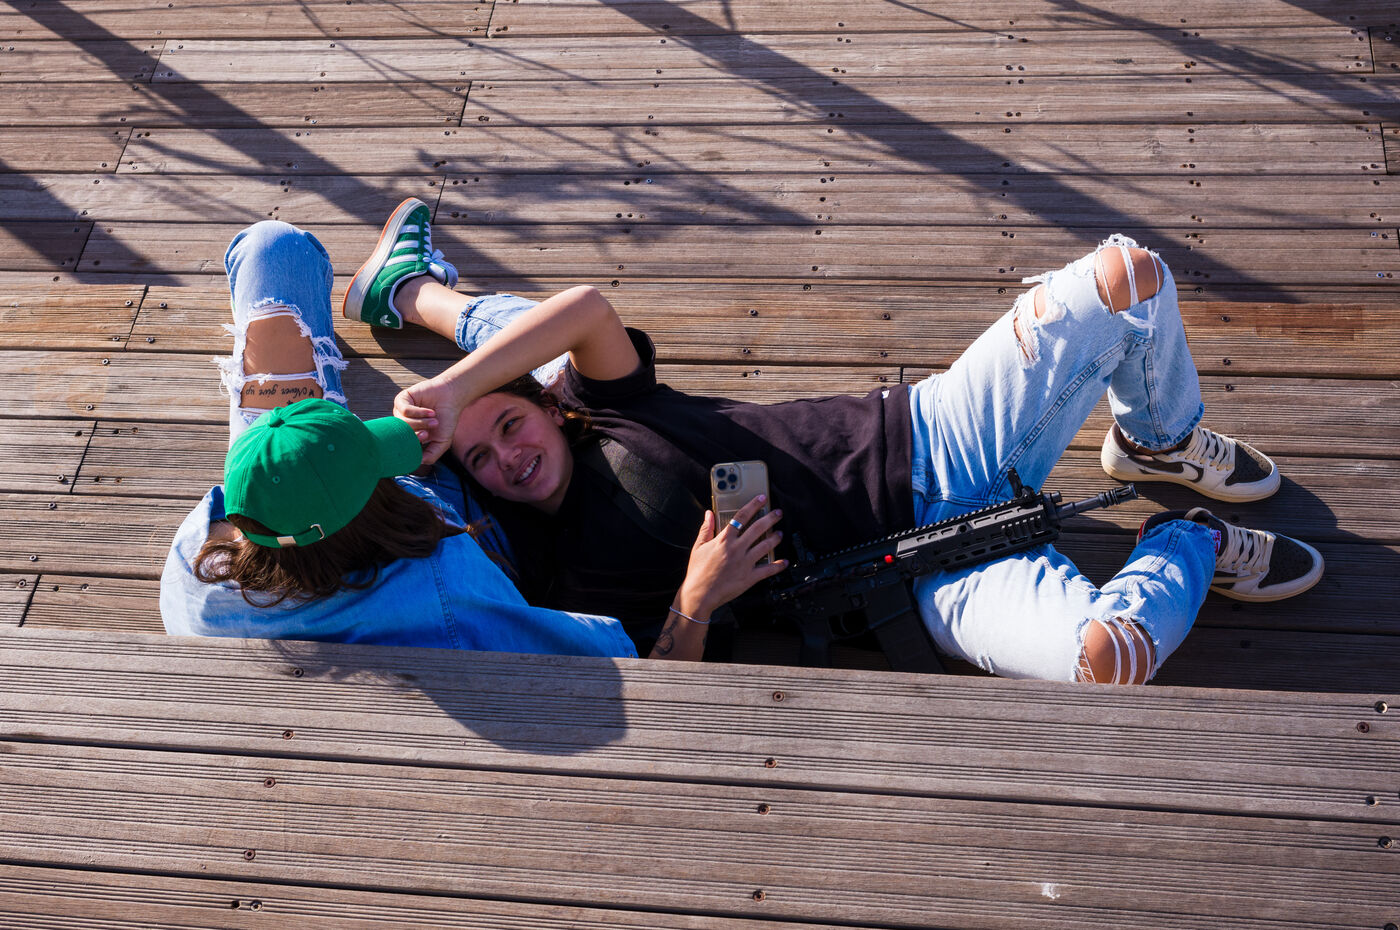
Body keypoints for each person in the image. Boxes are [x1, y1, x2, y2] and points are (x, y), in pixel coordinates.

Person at [343, 200, 1324, 684]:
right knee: (1109, 659)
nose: (505, 459)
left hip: (933, 432)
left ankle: (1157, 441)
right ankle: (1187, 541)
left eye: (507, 426)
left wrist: (453, 391)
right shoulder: (563, 574)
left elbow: (586, 311)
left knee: (1127, 276)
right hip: (926, 572)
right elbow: (657, 683)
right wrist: (696, 600)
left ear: (546, 409)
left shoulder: (607, 407)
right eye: (482, 462)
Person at [159, 211, 736, 662]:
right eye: (381, 462)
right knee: (560, 372)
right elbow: (636, 673)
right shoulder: (450, 585)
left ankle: (401, 295)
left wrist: (301, 463)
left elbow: (288, 506)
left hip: (300, 498)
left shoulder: (195, 566)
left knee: (273, 248)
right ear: (383, 497)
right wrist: (694, 602)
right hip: (432, 533)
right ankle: (412, 290)